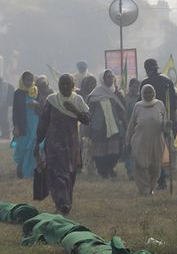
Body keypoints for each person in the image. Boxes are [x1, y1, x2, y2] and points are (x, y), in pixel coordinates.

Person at [36, 74, 91, 215]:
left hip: (71, 145)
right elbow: (43, 123)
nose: (65, 86)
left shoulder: (78, 100)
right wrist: (37, 142)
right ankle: (62, 203)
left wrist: (74, 110)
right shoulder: (52, 100)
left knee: (69, 175)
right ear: (58, 85)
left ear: (73, 86)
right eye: (62, 84)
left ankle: (66, 202)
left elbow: (87, 119)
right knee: (55, 174)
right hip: (54, 144)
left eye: (68, 84)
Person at [143, 59, 177, 190]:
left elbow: (140, 104)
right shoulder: (168, 82)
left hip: (150, 123)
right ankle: (162, 177)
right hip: (167, 121)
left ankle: (161, 178)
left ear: (147, 70)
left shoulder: (146, 84)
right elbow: (174, 103)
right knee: (163, 150)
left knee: (153, 152)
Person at [86, 70, 127, 178]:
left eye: (112, 76)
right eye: (108, 77)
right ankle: (103, 171)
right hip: (99, 127)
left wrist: (124, 122)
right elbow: (89, 111)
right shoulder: (95, 94)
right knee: (100, 151)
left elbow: (121, 108)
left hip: (114, 126)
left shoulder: (116, 93)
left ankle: (110, 168)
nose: (110, 79)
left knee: (115, 151)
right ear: (102, 79)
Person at [128, 84, 167, 196]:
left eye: (150, 92)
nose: (148, 94)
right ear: (142, 94)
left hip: (156, 141)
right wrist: (128, 139)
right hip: (140, 141)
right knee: (141, 165)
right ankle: (144, 189)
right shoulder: (138, 106)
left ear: (154, 93)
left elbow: (164, 122)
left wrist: (167, 126)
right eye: (145, 92)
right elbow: (132, 124)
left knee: (155, 167)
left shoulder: (160, 104)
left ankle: (151, 187)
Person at [11, 72, 40, 179]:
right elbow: (15, 110)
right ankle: (20, 168)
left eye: (31, 80)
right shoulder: (18, 93)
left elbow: (41, 104)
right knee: (22, 146)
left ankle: (30, 170)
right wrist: (16, 126)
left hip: (34, 122)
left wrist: (36, 104)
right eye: (27, 80)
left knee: (32, 146)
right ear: (22, 80)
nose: (29, 82)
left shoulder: (35, 91)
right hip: (22, 124)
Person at [0, 74, 13, 140]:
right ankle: (4, 133)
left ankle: (6, 134)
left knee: (3, 119)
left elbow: (3, 95)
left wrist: (1, 104)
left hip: (4, 105)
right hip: (4, 104)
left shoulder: (4, 84)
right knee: (3, 119)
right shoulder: (4, 84)